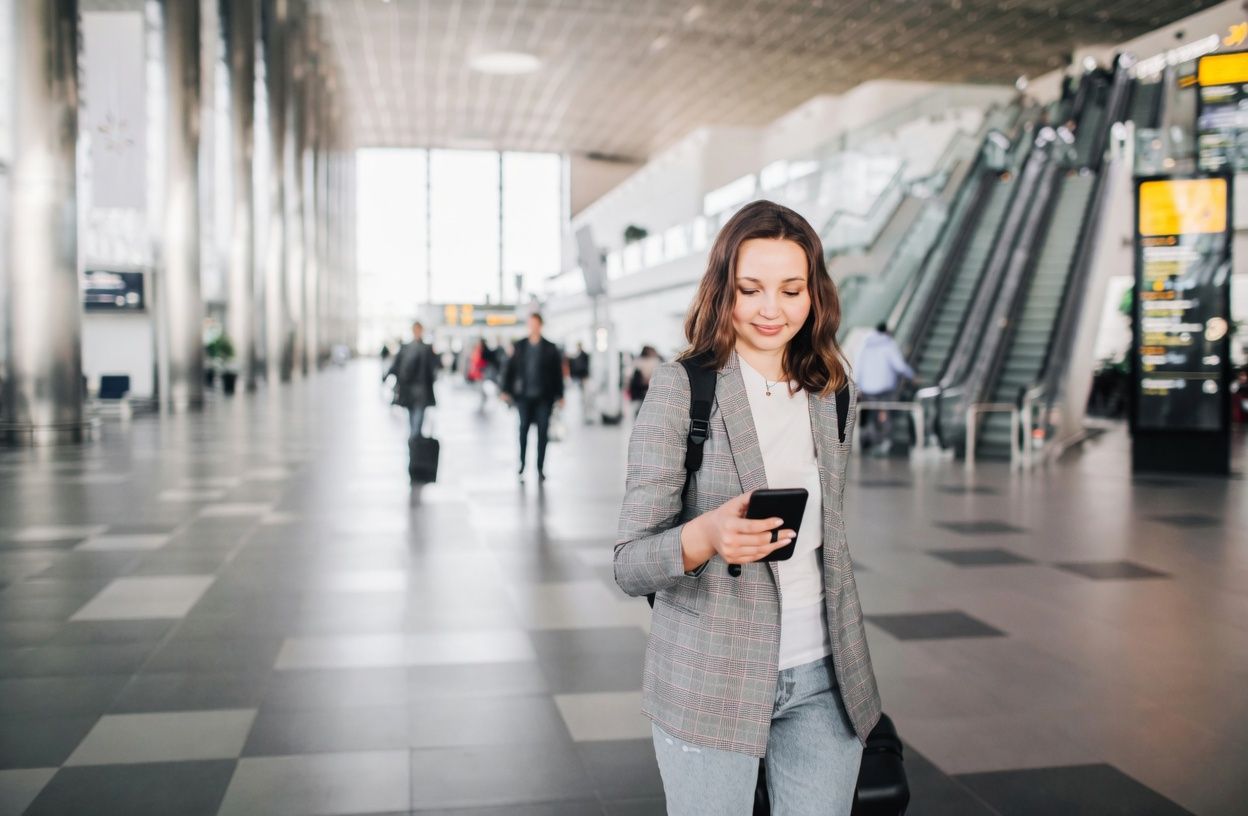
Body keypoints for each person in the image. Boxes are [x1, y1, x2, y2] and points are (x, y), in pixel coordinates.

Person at [614, 200, 880, 815]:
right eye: (750, 289)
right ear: (722, 289)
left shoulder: (833, 392)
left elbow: (828, 541)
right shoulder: (684, 387)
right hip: (711, 675)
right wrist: (705, 535)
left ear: (814, 294)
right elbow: (629, 563)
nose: (771, 309)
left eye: (791, 290)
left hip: (825, 675)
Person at [501, 313, 565, 481]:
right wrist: (505, 389)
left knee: (543, 432)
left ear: (540, 325)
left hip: (544, 397)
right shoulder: (520, 346)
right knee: (523, 430)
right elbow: (510, 369)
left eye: (535, 324)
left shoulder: (550, 348)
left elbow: (557, 374)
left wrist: (560, 395)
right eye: (530, 324)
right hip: (524, 397)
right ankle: (522, 465)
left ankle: (540, 468)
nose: (533, 327)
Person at [853, 322, 915, 454]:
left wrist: (857, 385)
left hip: (868, 388)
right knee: (885, 413)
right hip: (885, 387)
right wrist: (911, 376)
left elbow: (857, 366)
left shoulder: (865, 344)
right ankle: (884, 442)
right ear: (886, 332)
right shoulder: (889, 344)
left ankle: (872, 442)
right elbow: (899, 366)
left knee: (872, 414)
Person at [385, 321, 437, 441]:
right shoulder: (415, 348)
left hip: (417, 389)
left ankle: (414, 440)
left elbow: (396, 365)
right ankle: (414, 440)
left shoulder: (419, 348)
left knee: (416, 416)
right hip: (413, 389)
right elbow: (397, 365)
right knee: (414, 416)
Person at [627, 345, 662, 414]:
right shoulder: (655, 361)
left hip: (640, 391)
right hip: (645, 390)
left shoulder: (637, 362)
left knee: (639, 411)